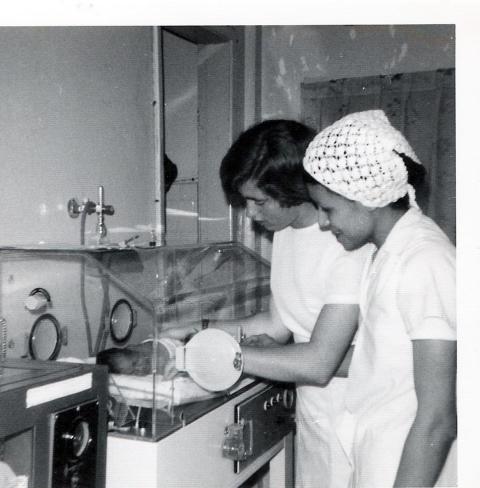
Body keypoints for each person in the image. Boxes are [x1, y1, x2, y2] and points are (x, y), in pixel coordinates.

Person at [162, 119, 371, 488]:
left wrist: (208, 354)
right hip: (316, 412)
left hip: (360, 415)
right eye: (246, 201)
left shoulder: (346, 244)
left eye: (259, 201)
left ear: (293, 190)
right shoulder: (288, 234)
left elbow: (319, 362)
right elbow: (275, 324)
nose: (252, 214)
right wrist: (196, 329)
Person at [302, 109, 456, 487]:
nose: (323, 223)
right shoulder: (383, 254)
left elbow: (438, 418)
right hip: (379, 457)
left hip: (409, 469)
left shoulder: (424, 260)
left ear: (364, 198)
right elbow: (385, 359)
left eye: (328, 209)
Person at [96, 337, 180, 379]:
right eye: (134, 372)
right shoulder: (151, 376)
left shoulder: (156, 341)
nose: (140, 368)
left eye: (135, 362)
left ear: (132, 347)